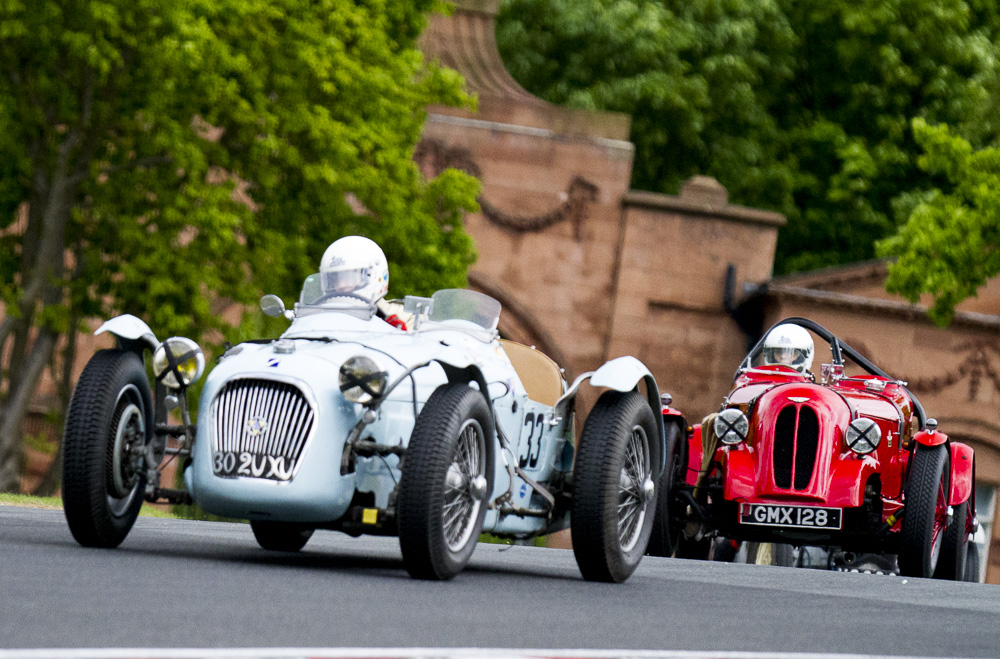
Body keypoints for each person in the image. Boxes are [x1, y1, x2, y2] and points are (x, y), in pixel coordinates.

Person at [318, 236, 410, 330]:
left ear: (374, 275)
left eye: (350, 277)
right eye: (334, 279)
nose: (341, 285)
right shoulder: (318, 318)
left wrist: (401, 335)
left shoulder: (406, 318)